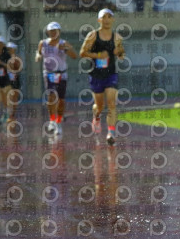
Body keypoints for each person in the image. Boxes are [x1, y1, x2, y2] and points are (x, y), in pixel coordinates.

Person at [80, 9, 126, 146]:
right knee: (100, 106)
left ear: (113, 20)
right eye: (104, 17)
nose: (106, 20)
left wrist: (119, 52)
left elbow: (121, 54)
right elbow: (82, 52)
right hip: (96, 75)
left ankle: (111, 133)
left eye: (109, 17)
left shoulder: (117, 37)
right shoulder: (93, 36)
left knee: (112, 103)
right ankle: (96, 115)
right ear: (99, 20)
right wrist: (98, 55)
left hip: (111, 74)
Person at [36, 22, 78, 136]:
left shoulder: (64, 43)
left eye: (55, 31)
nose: (53, 33)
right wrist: (38, 56)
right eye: (51, 31)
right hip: (49, 73)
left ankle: (58, 122)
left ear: (59, 31)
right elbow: (38, 53)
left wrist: (66, 49)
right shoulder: (43, 43)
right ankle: (52, 120)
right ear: (48, 32)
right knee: (51, 97)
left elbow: (74, 56)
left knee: (61, 100)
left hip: (61, 74)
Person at [5, 42, 23, 124]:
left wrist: (14, 64)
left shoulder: (17, 58)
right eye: (8, 49)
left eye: (10, 49)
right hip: (7, 79)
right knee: (8, 97)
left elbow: (19, 68)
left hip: (14, 80)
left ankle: (12, 114)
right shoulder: (4, 57)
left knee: (14, 98)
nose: (9, 50)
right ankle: (9, 114)